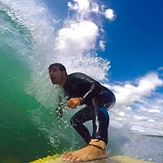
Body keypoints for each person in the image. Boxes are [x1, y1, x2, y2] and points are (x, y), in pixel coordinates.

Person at [48, 63, 116, 162]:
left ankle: (98, 145)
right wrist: (59, 113)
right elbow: (60, 105)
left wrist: (81, 99)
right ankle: (89, 144)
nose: (51, 74)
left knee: (94, 98)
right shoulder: (63, 91)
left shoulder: (76, 77)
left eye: (54, 70)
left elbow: (97, 86)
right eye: (49, 71)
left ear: (63, 72)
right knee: (75, 120)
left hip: (106, 97)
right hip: (93, 106)